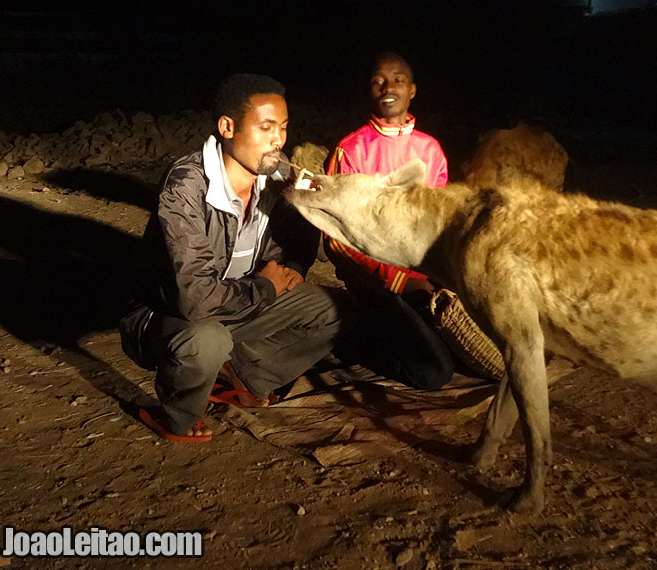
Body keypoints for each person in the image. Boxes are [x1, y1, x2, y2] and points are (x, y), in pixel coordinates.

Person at [120, 73, 355, 442]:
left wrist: (292, 268)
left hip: (241, 299)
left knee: (336, 308)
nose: (278, 139)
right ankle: (174, 414)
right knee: (207, 340)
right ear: (228, 127)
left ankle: (242, 375)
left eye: (283, 127)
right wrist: (266, 288)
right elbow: (194, 299)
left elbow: (310, 213)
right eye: (265, 127)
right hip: (168, 316)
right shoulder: (186, 185)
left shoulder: (276, 172)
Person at [325, 52, 454, 390]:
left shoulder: (431, 151)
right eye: (378, 80)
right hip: (375, 284)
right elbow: (336, 239)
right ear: (370, 92)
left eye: (397, 79)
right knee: (434, 373)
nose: (388, 86)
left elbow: (438, 227)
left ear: (412, 90)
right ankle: (351, 340)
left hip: (423, 280)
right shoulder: (351, 150)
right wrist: (399, 281)